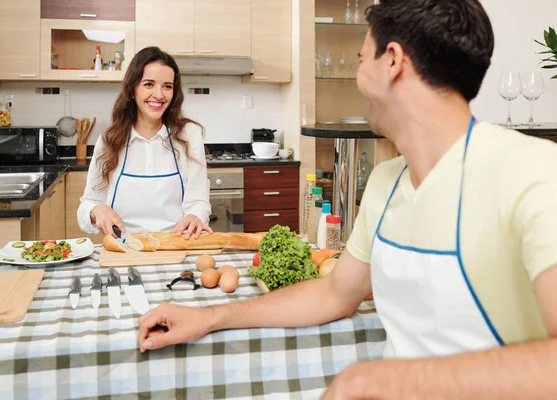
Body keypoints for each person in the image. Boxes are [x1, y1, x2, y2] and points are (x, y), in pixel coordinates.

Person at [137, 1, 557, 397]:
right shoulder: (386, 181)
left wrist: (394, 381)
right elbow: (335, 293)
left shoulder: (535, 173)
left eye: (360, 58)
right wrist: (209, 318)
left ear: (392, 61)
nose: (358, 76)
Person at [77, 47, 212, 240]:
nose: (159, 95)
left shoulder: (189, 135)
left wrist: (196, 216)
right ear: (133, 90)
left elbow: (199, 200)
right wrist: (97, 210)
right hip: (124, 249)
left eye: (167, 86)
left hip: (176, 245)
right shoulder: (109, 139)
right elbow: (87, 204)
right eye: (149, 84)